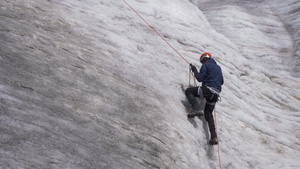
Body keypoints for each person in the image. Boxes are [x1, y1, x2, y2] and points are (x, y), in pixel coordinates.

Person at [185, 52, 224, 145]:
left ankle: (196, 109)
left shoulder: (206, 65)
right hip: (216, 94)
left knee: (189, 91)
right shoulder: (218, 68)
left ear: (204, 59)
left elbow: (199, 78)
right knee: (208, 114)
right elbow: (221, 82)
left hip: (208, 90)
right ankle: (213, 136)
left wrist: (194, 69)